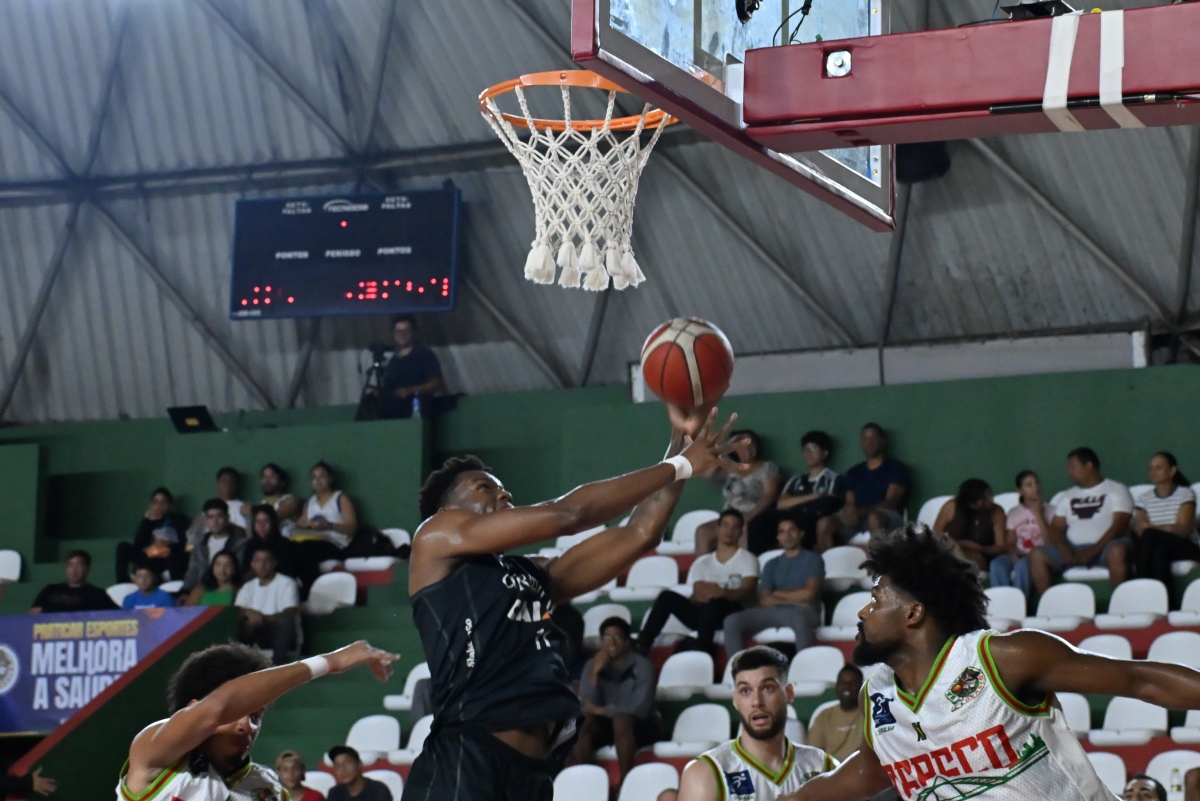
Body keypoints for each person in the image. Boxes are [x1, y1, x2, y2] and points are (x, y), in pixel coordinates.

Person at [402, 404, 745, 801]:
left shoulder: (532, 574)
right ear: (447, 511)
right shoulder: (434, 540)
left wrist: (679, 444)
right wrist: (680, 466)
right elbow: (569, 514)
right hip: (465, 759)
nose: (504, 493)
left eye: (502, 488)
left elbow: (640, 532)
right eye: (485, 488)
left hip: (532, 774)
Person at [776, 525, 1200, 801]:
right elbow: (863, 776)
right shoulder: (878, 698)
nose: (862, 611)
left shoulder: (1000, 658)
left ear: (914, 613)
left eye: (875, 599)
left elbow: (1138, 680)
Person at [117, 640, 397, 801]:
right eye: (235, 715)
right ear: (193, 708)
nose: (247, 726)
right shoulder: (156, 755)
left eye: (255, 716)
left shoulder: (267, 787)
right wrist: (328, 663)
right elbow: (217, 706)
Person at [677, 646, 836, 801]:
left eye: (767, 688)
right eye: (745, 691)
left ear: (789, 694)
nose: (757, 702)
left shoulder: (823, 766)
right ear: (735, 700)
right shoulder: (706, 772)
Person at [638, 508, 760, 654]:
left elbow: (747, 592)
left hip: (733, 615)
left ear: (740, 532)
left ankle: (703, 647)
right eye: (725, 525)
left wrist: (722, 593)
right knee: (667, 597)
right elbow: (695, 597)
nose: (729, 531)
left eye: (735, 527)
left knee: (716, 602)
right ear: (718, 529)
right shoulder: (702, 563)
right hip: (705, 614)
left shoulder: (748, 559)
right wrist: (698, 596)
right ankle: (642, 643)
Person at [1029, 447, 1133, 599]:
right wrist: (1064, 549)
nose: (1069, 472)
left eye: (1073, 466)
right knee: (1037, 554)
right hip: (1074, 549)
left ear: (1089, 466)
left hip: (1107, 546)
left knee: (1117, 551)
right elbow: (1056, 529)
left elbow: (1120, 525)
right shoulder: (1067, 495)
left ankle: (1121, 603)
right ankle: (1049, 606)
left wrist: (1093, 550)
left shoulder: (1116, 489)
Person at [572, 617, 661, 782]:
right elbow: (587, 705)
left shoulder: (643, 665)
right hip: (607, 725)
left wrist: (601, 710)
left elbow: (639, 709)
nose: (611, 642)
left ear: (627, 641)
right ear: (601, 642)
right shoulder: (592, 664)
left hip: (641, 726)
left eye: (617, 637)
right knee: (582, 723)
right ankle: (589, 782)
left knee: (621, 720)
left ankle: (625, 783)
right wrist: (594, 674)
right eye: (606, 637)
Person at [723, 518, 824, 653]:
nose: (787, 535)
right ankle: (737, 664)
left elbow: (808, 594)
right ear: (778, 537)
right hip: (774, 612)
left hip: (804, 611)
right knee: (732, 620)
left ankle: (803, 664)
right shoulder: (771, 564)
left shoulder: (813, 559)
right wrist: (794, 598)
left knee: (798, 618)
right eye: (782, 532)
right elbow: (765, 599)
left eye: (791, 530)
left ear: (801, 534)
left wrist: (777, 593)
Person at [693, 430, 781, 555]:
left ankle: (742, 566)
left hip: (754, 518)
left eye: (751, 444)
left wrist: (747, 518)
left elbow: (770, 495)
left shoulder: (767, 468)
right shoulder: (730, 468)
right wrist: (724, 450)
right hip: (729, 518)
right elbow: (708, 476)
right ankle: (702, 567)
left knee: (743, 529)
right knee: (703, 531)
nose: (748, 448)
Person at [1131, 452, 1198, 607]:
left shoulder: (1185, 494)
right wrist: (1163, 528)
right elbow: (1139, 529)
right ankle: (1167, 605)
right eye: (1151, 468)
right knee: (1159, 552)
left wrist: (1153, 528)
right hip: (1156, 545)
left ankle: (1141, 593)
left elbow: (1182, 530)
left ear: (1172, 470)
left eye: (1158, 468)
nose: (1153, 472)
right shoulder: (1144, 498)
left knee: (1151, 536)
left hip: (1185, 545)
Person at [832, 424, 909, 545]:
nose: (869, 442)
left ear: (882, 441)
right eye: (865, 438)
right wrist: (849, 513)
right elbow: (849, 502)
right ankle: (829, 557)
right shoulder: (853, 472)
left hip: (887, 517)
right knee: (825, 523)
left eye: (873, 437)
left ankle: (880, 556)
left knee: (874, 517)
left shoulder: (896, 468)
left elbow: (891, 502)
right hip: (857, 519)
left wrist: (862, 512)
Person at [775, 431, 845, 553]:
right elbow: (781, 504)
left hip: (817, 521)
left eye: (814, 449)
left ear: (825, 453)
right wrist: (814, 496)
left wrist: (796, 503)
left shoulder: (833, 479)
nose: (808, 454)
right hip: (795, 520)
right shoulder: (796, 480)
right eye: (806, 449)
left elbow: (828, 505)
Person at [991, 470, 1054, 602]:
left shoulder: (1051, 510)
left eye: (1036, 483)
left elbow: (1050, 541)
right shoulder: (1014, 513)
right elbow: (1010, 541)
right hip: (1019, 552)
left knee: (1022, 565)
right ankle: (1001, 603)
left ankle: (1019, 604)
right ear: (1020, 490)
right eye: (1029, 485)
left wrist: (1038, 514)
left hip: (1038, 555)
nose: (1035, 488)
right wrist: (1013, 552)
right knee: (996, 564)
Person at [236, 548, 300, 665]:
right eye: (258, 561)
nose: (262, 565)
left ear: (274, 563)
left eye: (267, 560)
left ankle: (278, 665)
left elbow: (290, 612)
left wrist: (262, 618)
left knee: (284, 622)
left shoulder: (287, 583)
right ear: (252, 565)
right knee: (234, 622)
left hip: (276, 632)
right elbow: (238, 609)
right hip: (253, 631)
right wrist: (247, 613)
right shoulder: (248, 587)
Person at [294, 461, 360, 570]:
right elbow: (305, 525)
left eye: (322, 476)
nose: (317, 480)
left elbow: (352, 529)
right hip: (314, 541)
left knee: (307, 549)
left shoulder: (340, 498)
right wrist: (302, 525)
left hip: (337, 545)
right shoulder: (309, 503)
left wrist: (329, 525)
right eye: (314, 477)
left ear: (331, 479)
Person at [115, 487, 190, 583]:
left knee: (175, 556)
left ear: (169, 505)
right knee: (122, 547)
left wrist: (168, 544)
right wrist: (147, 521)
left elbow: (184, 543)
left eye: (163, 502)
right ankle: (122, 582)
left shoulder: (178, 519)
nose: (159, 506)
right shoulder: (149, 521)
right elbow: (138, 544)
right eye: (156, 502)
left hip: (167, 557)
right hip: (149, 556)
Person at [932, 479, 1007, 572]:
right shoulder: (951, 506)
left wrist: (979, 548)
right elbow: (936, 533)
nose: (991, 500)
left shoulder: (997, 512)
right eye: (986, 498)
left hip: (980, 555)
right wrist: (955, 544)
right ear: (973, 503)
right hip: (951, 550)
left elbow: (1000, 547)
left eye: (991, 496)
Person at [381, 314, 445, 419]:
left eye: (406, 330)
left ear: (413, 332)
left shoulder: (424, 354)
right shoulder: (393, 361)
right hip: (397, 417)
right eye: (398, 331)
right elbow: (390, 388)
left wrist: (411, 390)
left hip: (421, 415)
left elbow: (436, 383)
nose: (402, 334)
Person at [182, 499, 250, 593]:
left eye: (219, 516)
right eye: (211, 517)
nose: (215, 521)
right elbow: (193, 571)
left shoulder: (240, 543)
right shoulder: (200, 544)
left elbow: (239, 573)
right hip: (202, 590)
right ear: (206, 521)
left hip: (229, 591)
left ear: (227, 518)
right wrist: (185, 591)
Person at [805, 665, 864, 763]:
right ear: (836, 686)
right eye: (843, 683)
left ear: (861, 686)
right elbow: (813, 754)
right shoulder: (824, 716)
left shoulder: (870, 713)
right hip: (830, 770)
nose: (847, 687)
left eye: (852, 683)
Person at [31, 549, 117, 613]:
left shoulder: (98, 594)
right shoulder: (50, 590)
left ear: (87, 568)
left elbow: (115, 616)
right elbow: (32, 614)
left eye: (79, 565)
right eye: (70, 565)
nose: (74, 569)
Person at [187, 468, 249, 549]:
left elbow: (245, 535)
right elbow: (192, 540)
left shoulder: (243, 507)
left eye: (231, 482)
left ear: (237, 485)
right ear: (217, 483)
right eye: (224, 481)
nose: (227, 484)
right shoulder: (208, 508)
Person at [243, 504, 301, 583]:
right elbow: (245, 571)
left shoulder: (285, 545)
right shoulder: (250, 545)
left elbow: (288, 573)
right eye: (257, 522)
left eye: (265, 521)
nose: (261, 526)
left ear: (273, 523)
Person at [327, 747, 392, 801]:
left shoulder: (378, 790)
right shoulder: (334, 793)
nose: (343, 769)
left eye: (348, 763)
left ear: (359, 765)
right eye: (338, 766)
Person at [253, 463, 302, 534]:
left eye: (272, 477)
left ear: (282, 483)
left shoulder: (290, 500)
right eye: (264, 477)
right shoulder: (262, 504)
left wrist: (251, 510)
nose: (266, 480)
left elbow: (272, 518)